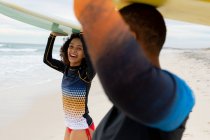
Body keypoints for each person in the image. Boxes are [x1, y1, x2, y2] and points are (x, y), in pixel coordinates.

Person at [74, 1, 195, 140]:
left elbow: (132, 85)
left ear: (130, 38)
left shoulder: (180, 95)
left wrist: (89, 10)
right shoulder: (123, 103)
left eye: (112, 34)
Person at [43, 32, 95, 140]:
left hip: (81, 125)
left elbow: (93, 65)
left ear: (85, 53)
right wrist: (52, 36)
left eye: (79, 48)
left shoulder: (85, 75)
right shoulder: (66, 69)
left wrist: (83, 35)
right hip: (70, 124)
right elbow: (47, 59)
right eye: (71, 46)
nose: (73, 51)